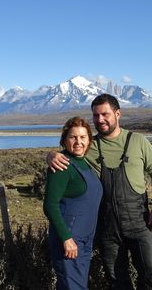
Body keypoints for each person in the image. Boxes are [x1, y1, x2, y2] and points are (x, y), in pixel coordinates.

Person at [48, 94, 152, 290]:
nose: (100, 119)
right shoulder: (90, 146)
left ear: (118, 114)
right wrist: (51, 155)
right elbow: (70, 152)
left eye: (105, 114)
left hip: (139, 221)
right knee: (116, 278)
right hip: (107, 225)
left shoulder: (137, 140)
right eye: (95, 115)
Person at [43, 116, 103, 290]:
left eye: (83, 137)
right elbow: (50, 205)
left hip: (85, 240)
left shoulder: (85, 163)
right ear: (64, 140)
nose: (78, 142)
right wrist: (66, 238)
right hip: (69, 241)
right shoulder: (61, 165)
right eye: (73, 137)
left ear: (89, 140)